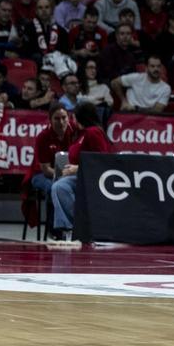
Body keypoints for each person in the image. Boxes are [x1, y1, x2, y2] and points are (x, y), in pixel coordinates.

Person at [48, 101, 110, 241]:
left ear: (80, 117)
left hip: (93, 178)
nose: (71, 120)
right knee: (58, 185)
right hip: (81, 177)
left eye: (73, 117)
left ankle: (77, 227)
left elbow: (102, 161)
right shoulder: (80, 134)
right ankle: (68, 229)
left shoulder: (94, 132)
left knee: (60, 187)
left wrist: (77, 168)